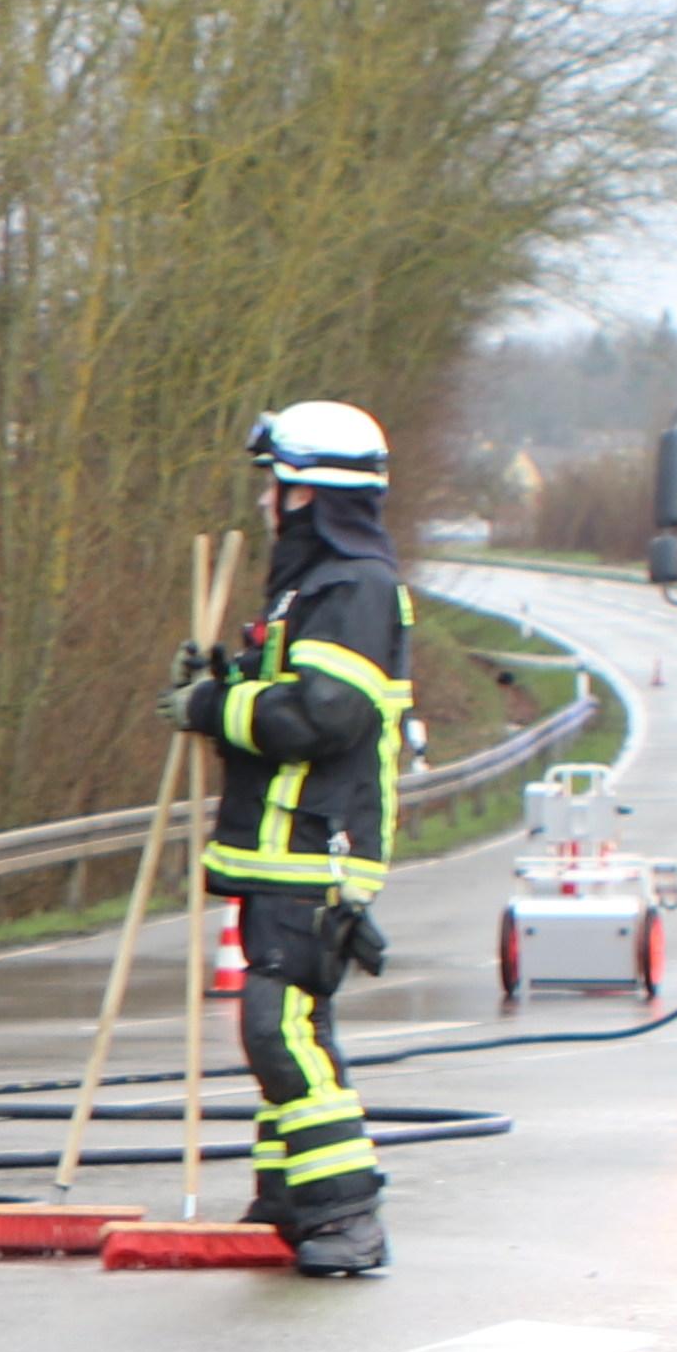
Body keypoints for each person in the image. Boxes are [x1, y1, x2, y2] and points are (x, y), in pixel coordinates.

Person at [172, 401, 412, 1275]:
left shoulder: (354, 588)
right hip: (281, 845)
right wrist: (226, 677)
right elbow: (287, 686)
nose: (267, 501)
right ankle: (288, 1198)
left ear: (312, 492)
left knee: (278, 1030)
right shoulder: (310, 587)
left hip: (317, 845)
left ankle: (346, 1213)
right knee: (296, 1025)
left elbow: (324, 713)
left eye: (277, 485)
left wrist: (212, 709)